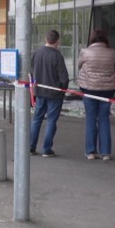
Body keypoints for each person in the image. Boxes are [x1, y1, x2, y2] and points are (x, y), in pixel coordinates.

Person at [77, 30, 115, 161]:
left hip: (89, 89)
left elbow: (79, 65)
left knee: (90, 119)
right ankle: (105, 152)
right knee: (104, 120)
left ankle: (90, 152)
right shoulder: (112, 53)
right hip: (107, 90)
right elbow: (113, 67)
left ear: (92, 39)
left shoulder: (85, 52)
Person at [30, 29, 70, 157]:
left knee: (37, 119)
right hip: (54, 94)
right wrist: (62, 89)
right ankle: (47, 149)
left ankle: (31, 147)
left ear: (45, 40)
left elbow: (31, 71)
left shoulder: (36, 53)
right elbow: (64, 78)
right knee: (51, 121)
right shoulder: (57, 56)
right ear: (57, 41)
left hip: (39, 92)